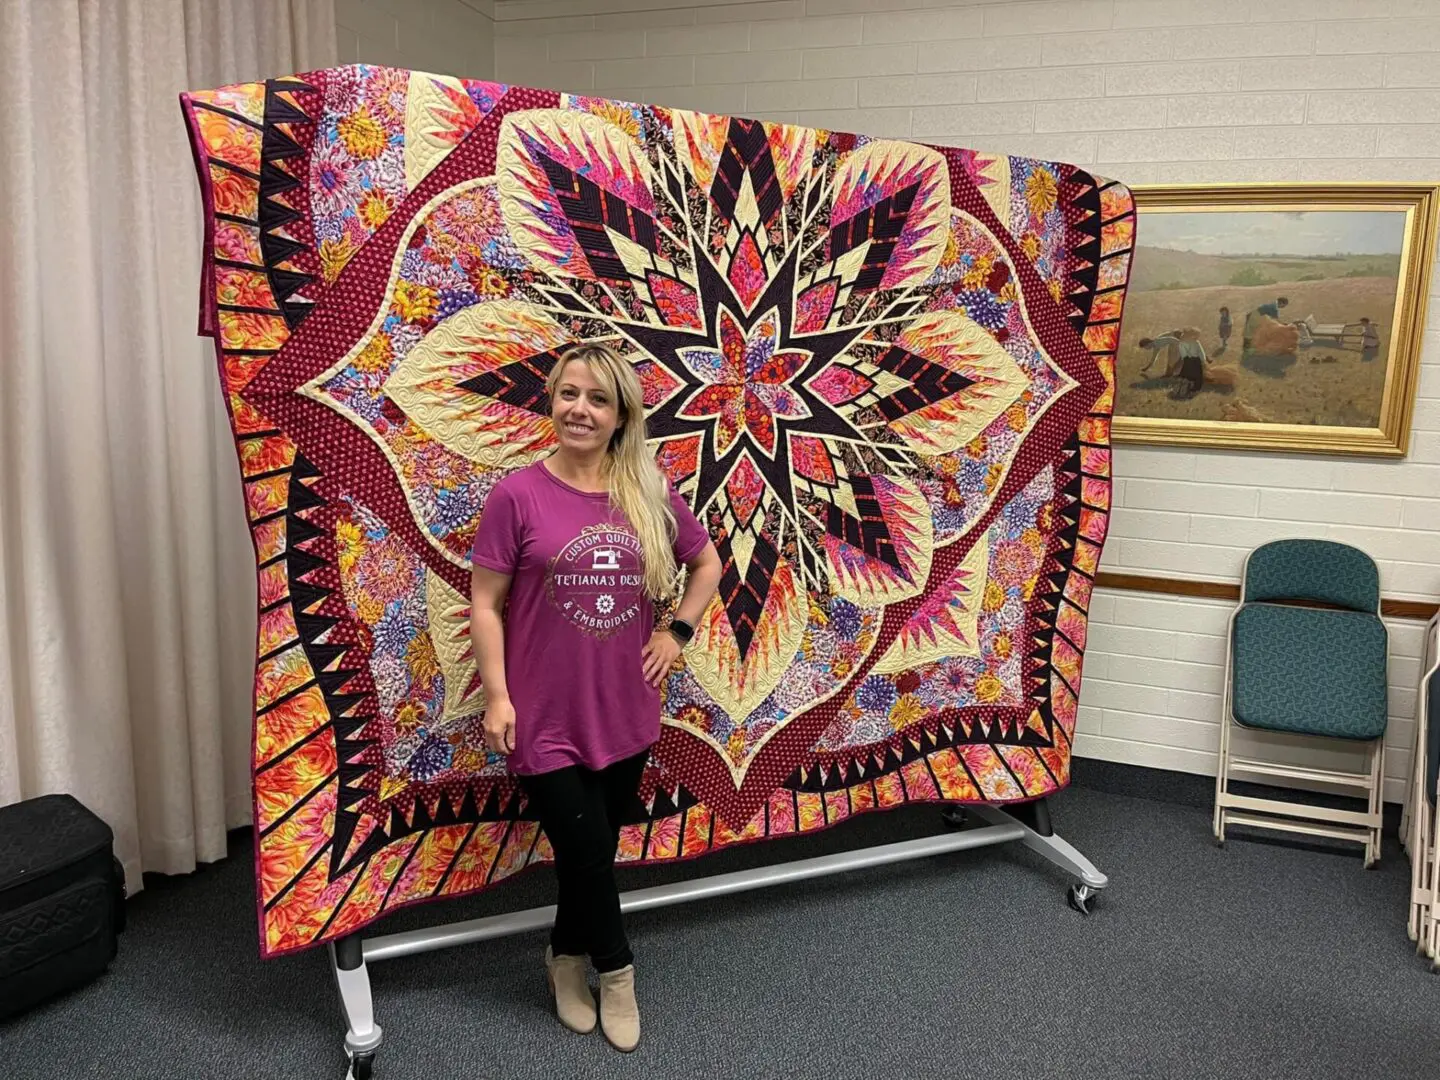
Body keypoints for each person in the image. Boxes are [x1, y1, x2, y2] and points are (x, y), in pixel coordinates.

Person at [470, 343, 722, 1052]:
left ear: (621, 415)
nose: (579, 409)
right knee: (585, 852)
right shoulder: (517, 495)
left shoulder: (646, 488)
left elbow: (707, 564)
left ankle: (562, 958)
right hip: (542, 715)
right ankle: (617, 972)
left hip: (625, 708)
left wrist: (678, 630)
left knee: (592, 856)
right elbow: (484, 604)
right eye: (568, 394)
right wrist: (496, 695)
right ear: (552, 402)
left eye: (597, 398)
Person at [1138, 327, 1208, 397]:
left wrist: (1180, 343)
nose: (1146, 349)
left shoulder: (1158, 341)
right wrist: (1146, 367)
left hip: (1176, 338)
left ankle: (1175, 373)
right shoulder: (1156, 345)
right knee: (1176, 359)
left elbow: (1170, 339)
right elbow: (1154, 357)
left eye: (1145, 347)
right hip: (1175, 340)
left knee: (1177, 359)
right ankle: (1173, 373)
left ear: (1148, 344)